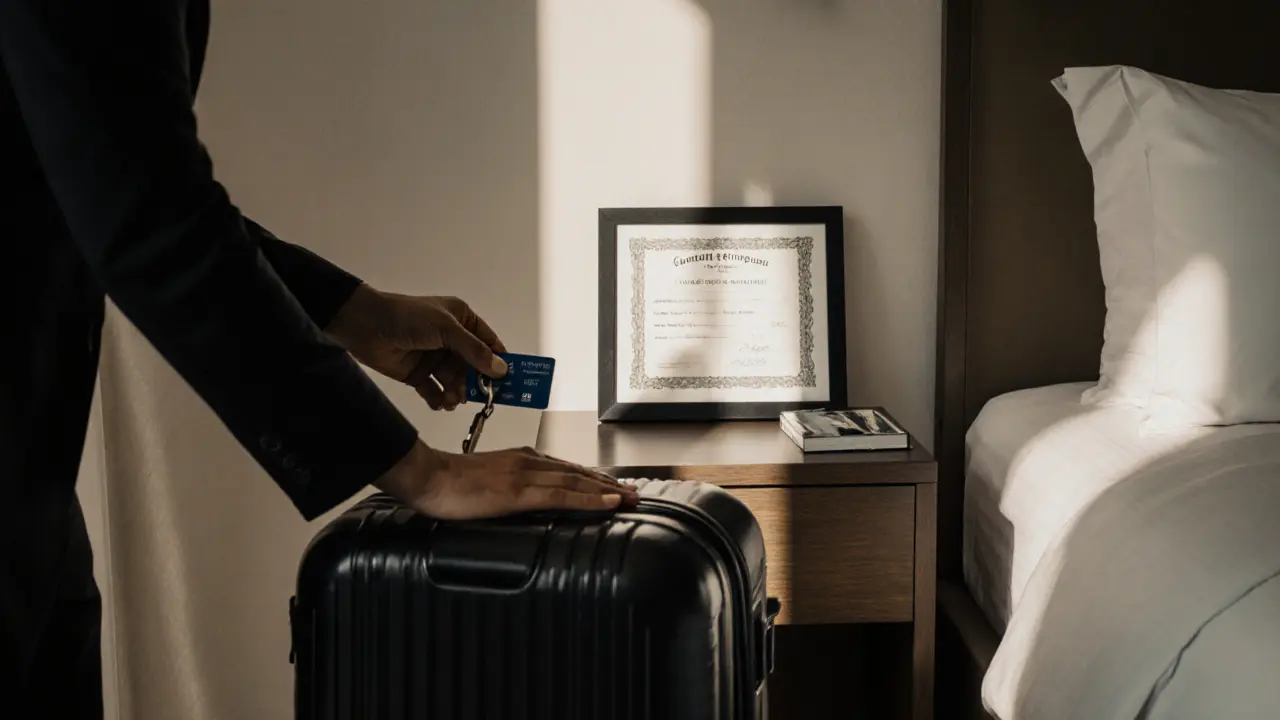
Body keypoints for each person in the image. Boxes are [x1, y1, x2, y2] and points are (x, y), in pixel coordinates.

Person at [0, 1, 638, 715]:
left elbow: (105, 165)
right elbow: (145, 212)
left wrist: (358, 312)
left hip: (35, 499)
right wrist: (421, 472)